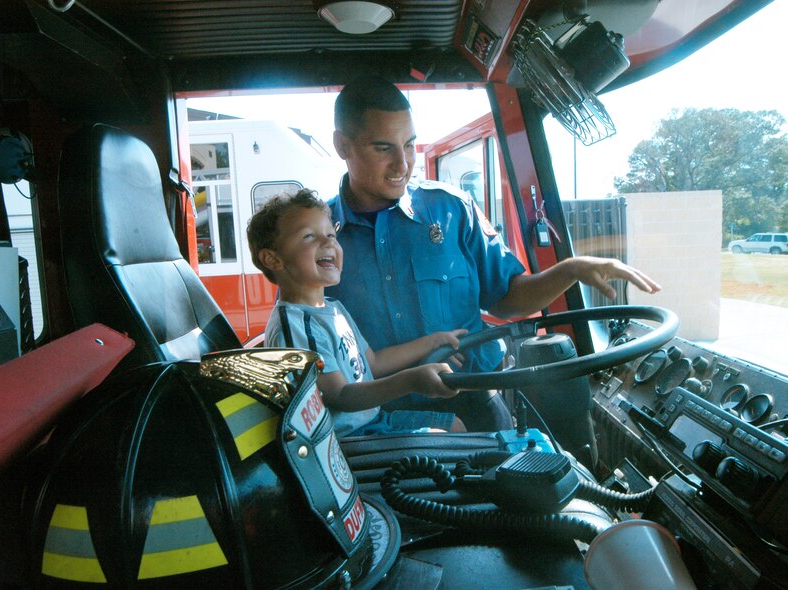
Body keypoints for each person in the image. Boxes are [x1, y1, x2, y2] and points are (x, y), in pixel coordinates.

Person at [325, 76, 662, 432]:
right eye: (383, 149)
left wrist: (571, 270)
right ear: (342, 145)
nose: (403, 165)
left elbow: (508, 299)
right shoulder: (318, 237)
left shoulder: (452, 210)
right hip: (378, 422)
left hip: (475, 403)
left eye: (408, 145)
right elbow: (307, 337)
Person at [247, 189, 467, 436]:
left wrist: (432, 342)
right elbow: (341, 396)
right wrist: (412, 380)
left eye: (331, 234)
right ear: (273, 259)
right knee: (449, 437)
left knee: (456, 427)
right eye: (309, 236)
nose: (329, 242)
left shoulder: (333, 309)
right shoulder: (297, 325)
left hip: (372, 420)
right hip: (347, 439)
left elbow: (372, 362)